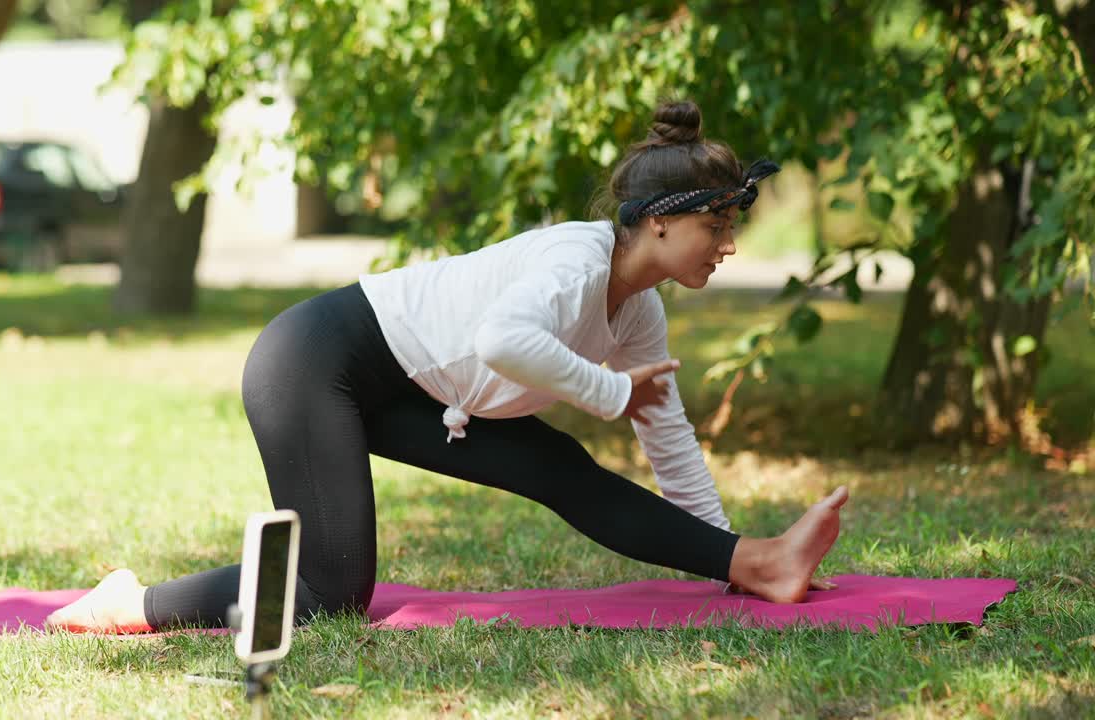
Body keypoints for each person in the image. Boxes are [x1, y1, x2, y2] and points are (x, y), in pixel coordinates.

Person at [46, 99, 849, 634]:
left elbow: (666, 436)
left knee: (566, 473)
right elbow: (504, 339)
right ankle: (135, 602)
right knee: (332, 593)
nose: (729, 243)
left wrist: (721, 554)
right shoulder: (576, 260)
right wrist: (609, 389)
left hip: (420, 390)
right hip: (315, 362)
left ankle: (757, 562)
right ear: (661, 226)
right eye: (717, 223)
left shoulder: (639, 308)